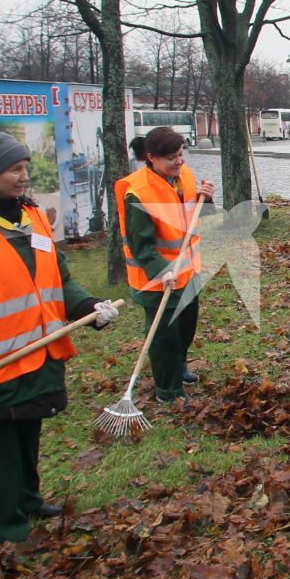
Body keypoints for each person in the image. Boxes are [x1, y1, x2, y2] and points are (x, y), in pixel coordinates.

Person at [0, 127, 120, 547]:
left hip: (36, 356)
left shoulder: (30, 217)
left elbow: (58, 279)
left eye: (25, 166)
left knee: (26, 434)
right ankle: (1, 530)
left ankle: (27, 501)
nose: (23, 175)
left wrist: (88, 308)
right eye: (14, 169)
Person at [119, 126, 215, 403]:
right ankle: (168, 390)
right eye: (171, 157)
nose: (179, 161)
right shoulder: (137, 192)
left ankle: (179, 367)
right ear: (151, 157)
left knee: (186, 329)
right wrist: (162, 272)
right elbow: (142, 246)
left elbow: (196, 215)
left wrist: (205, 198)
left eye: (181, 154)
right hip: (158, 280)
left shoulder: (182, 176)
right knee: (164, 338)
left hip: (187, 272)